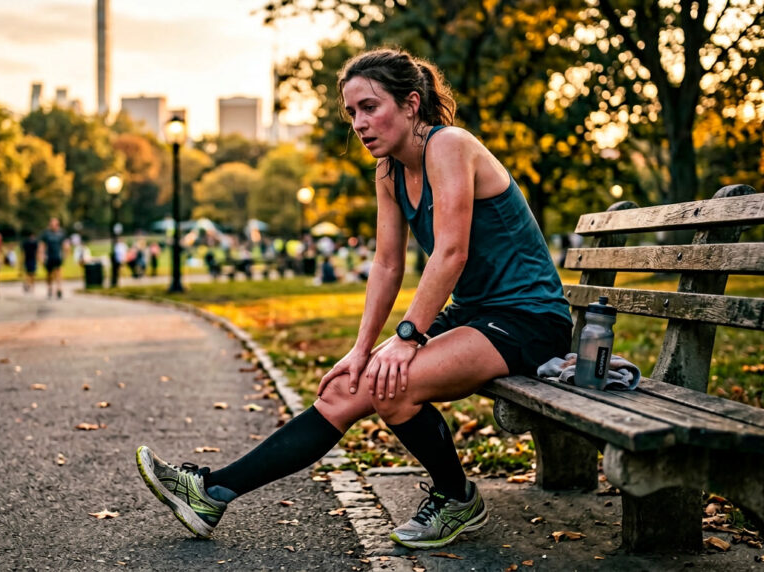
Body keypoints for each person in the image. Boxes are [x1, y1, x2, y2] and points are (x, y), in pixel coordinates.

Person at [135, 47, 572, 550]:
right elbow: (388, 265)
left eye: (370, 107)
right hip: (477, 316)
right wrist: (361, 350)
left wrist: (407, 337)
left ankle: (456, 499)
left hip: (528, 319)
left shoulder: (449, 145)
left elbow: (450, 253)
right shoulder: (389, 171)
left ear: (411, 104)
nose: (359, 124)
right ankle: (212, 492)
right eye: (351, 113)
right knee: (345, 391)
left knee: (395, 383)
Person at [40, 218, 68, 299]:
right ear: (50, 225)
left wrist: (65, 254)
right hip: (48, 256)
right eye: (52, 225)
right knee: (49, 274)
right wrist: (41, 256)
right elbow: (42, 245)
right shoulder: (46, 234)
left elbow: (65, 244)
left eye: (56, 224)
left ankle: (59, 288)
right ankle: (49, 288)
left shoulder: (62, 233)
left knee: (58, 272)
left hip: (57, 256)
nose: (54, 226)